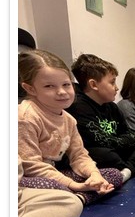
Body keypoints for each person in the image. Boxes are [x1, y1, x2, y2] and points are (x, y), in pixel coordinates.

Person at [18, 49, 121, 205]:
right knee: (53, 187)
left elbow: (79, 155)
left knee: (113, 174)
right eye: (49, 86)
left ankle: (76, 200)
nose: (61, 92)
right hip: (26, 180)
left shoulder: (69, 120)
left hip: (55, 174)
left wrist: (94, 175)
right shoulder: (25, 117)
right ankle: (74, 198)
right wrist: (75, 185)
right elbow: (31, 167)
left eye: (66, 84)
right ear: (30, 88)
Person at [68, 53, 135, 182]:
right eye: (112, 82)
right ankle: (128, 169)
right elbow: (98, 141)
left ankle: (124, 173)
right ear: (93, 84)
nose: (117, 88)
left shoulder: (111, 106)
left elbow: (129, 134)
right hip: (97, 152)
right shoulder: (78, 107)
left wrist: (126, 143)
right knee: (107, 155)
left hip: (116, 149)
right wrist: (125, 143)